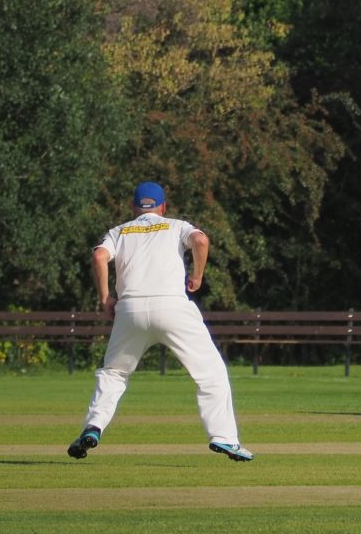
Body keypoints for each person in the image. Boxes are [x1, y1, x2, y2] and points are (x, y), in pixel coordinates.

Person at [67, 181, 252, 462]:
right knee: (211, 373)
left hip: (129, 310)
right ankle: (224, 438)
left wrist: (106, 298)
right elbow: (201, 241)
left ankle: (93, 427)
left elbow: (99, 256)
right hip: (172, 306)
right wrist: (198, 276)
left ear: (134, 207)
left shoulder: (119, 231)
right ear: (163, 207)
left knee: (114, 374)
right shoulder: (176, 226)